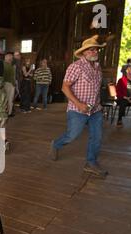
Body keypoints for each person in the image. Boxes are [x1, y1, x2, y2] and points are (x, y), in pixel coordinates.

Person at [49, 35, 108, 177]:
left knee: (97, 136)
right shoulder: (75, 67)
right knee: (72, 135)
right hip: (77, 110)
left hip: (95, 110)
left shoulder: (98, 68)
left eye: (96, 50)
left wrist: (98, 104)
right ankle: (56, 144)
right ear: (83, 53)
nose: (95, 52)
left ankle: (91, 163)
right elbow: (64, 87)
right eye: (91, 50)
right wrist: (79, 104)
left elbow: (95, 89)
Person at [3, 52, 16, 116]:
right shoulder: (4, 64)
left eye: (11, 56)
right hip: (7, 83)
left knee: (10, 99)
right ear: (6, 57)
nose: (11, 58)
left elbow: (13, 76)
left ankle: (9, 112)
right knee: (8, 99)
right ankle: (7, 112)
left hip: (11, 84)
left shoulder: (10, 65)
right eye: (10, 56)